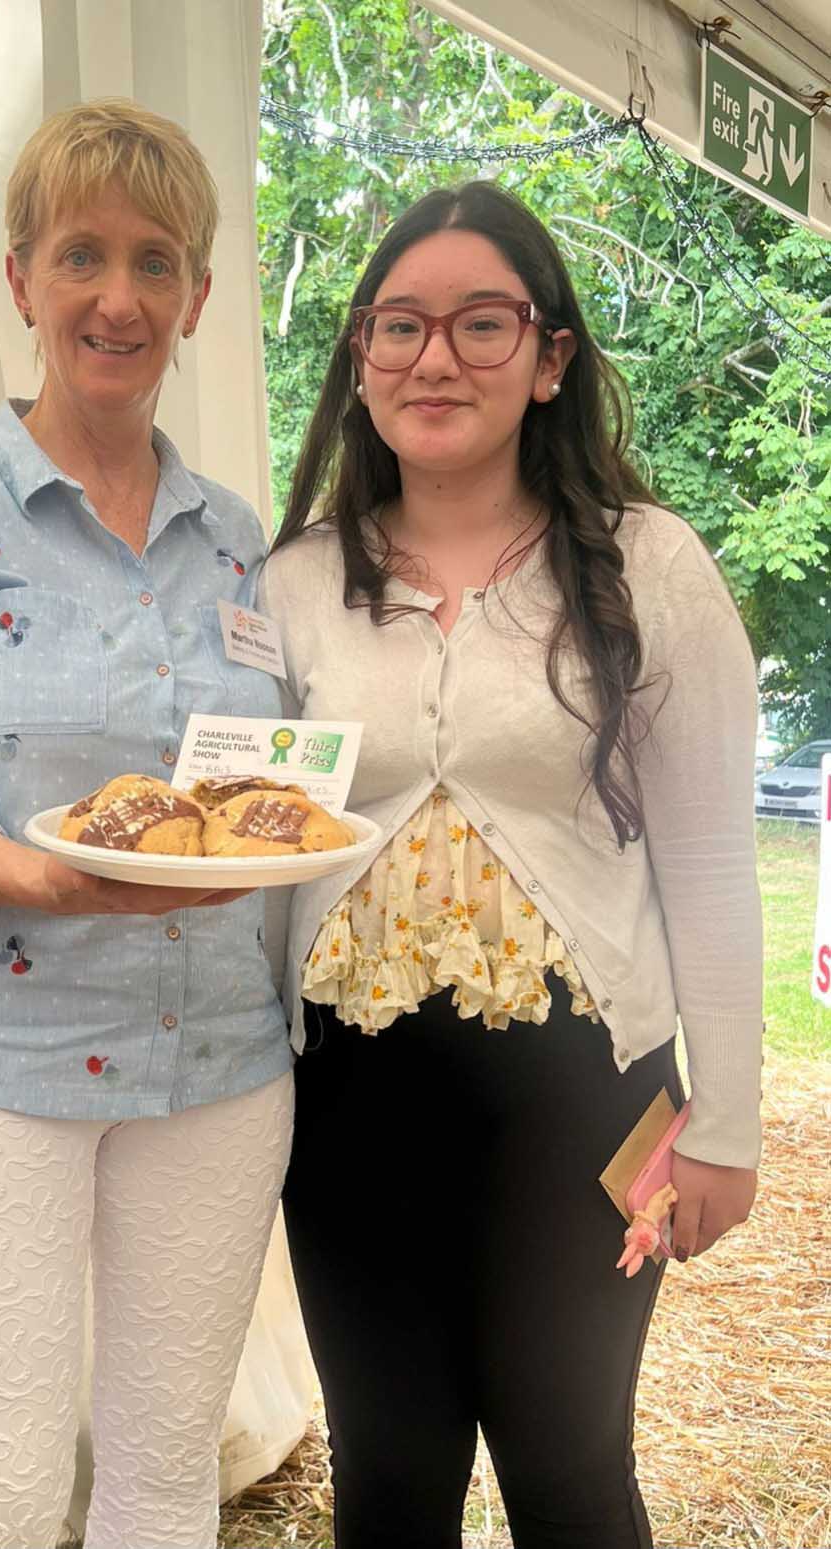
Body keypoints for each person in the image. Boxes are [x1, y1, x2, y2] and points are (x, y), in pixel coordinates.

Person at [258, 180, 762, 1549]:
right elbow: (256, 843)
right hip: (345, 1102)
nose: (436, 358)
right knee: (387, 1478)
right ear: (360, 356)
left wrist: (726, 1123)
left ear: (549, 358)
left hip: (585, 1102)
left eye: (483, 324)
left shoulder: (649, 567)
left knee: (569, 1467)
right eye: (401, 325)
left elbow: (713, 861)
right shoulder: (294, 583)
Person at [0, 99, 294, 1549]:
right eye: (80, 254)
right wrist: (49, 877)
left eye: (157, 262)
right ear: (20, 279)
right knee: (0, 1497)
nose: (118, 297)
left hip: (214, 1067)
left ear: (198, 299)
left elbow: (257, 789)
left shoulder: (238, 539)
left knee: (166, 1483)